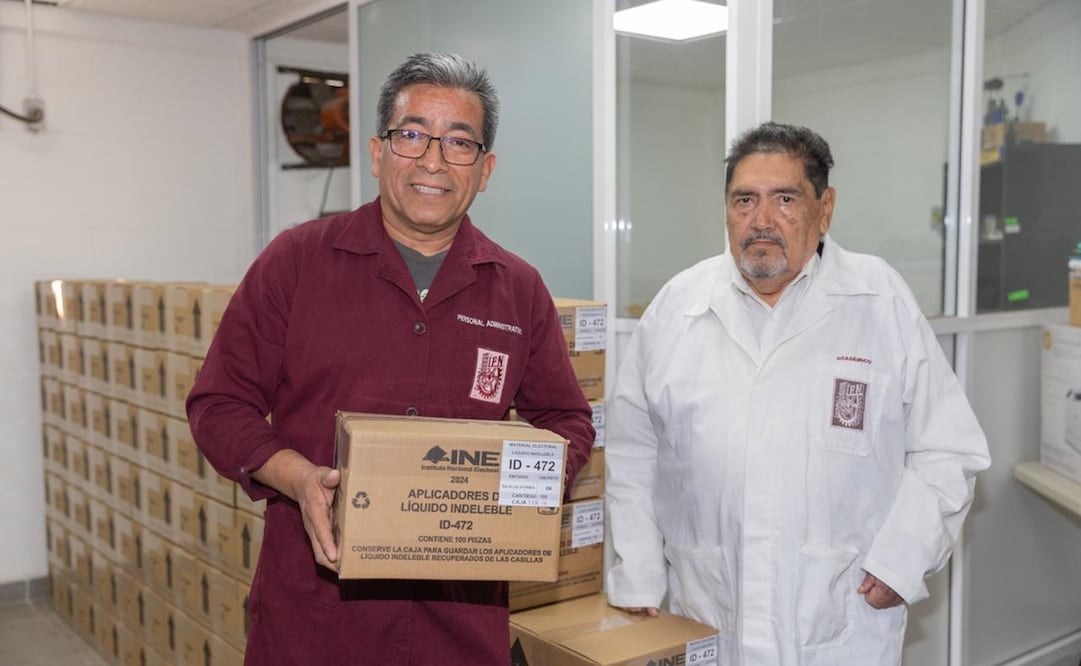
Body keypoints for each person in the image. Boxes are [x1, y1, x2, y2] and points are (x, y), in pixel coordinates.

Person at [187, 52, 594, 665]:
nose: (433, 161)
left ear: (485, 171)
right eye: (413, 135)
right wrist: (296, 477)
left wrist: (507, 495)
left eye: (459, 143)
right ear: (378, 153)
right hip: (316, 619)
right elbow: (219, 404)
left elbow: (568, 421)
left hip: (459, 623)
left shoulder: (519, 288)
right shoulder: (296, 262)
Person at [604, 121, 991, 665]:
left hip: (841, 622)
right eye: (744, 200)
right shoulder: (679, 306)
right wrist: (640, 576)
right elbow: (632, 448)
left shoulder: (878, 300)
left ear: (824, 208)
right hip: (706, 610)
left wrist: (903, 560)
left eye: (785, 199)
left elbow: (948, 449)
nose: (761, 221)